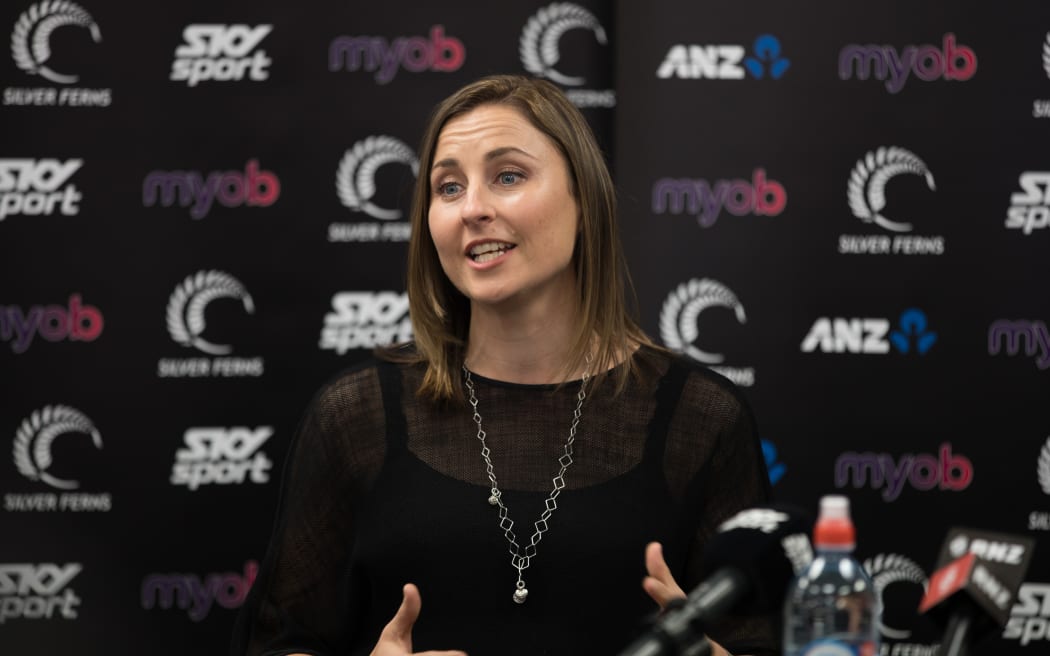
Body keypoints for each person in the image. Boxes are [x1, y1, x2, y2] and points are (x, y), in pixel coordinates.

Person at [232, 74, 776, 656]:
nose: (473, 209)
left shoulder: (702, 419)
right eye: (447, 188)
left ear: (585, 200)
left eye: (508, 176)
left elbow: (756, 641)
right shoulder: (356, 417)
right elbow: (275, 642)